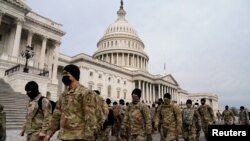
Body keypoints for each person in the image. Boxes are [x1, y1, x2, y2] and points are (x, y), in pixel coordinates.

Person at [44, 64, 107, 141]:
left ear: (74, 75)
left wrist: (89, 138)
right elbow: (56, 115)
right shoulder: (64, 95)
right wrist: (49, 134)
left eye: (66, 73)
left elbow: (90, 119)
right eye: (63, 74)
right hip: (64, 136)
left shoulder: (86, 93)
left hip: (79, 137)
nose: (64, 76)